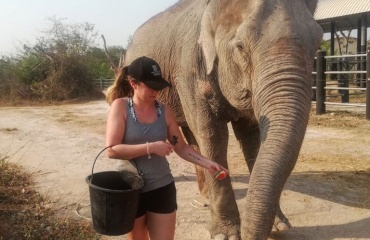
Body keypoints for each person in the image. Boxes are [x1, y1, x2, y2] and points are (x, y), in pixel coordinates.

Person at [105, 56, 229, 240]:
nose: (156, 91)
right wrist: (151, 147)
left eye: (158, 85)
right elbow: (112, 150)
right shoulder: (120, 107)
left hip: (161, 187)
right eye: (151, 85)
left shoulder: (165, 110)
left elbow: (181, 146)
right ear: (133, 83)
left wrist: (207, 162)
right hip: (130, 188)